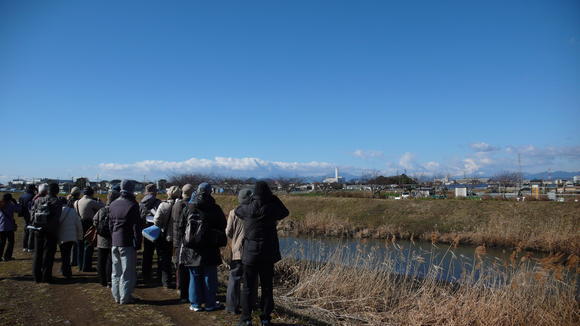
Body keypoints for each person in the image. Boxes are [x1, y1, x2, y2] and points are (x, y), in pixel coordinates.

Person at [236, 181, 289, 326]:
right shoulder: (272, 207)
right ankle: (265, 318)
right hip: (268, 253)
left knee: (247, 287)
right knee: (267, 287)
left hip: (250, 253)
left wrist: (250, 200)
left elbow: (237, 210)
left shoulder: (247, 208)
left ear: (254, 193)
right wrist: (274, 198)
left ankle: (246, 318)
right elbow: (285, 212)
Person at [178, 182, 226, 312]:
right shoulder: (215, 208)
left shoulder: (189, 207)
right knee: (209, 276)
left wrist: (185, 240)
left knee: (194, 276)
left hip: (191, 248)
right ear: (210, 192)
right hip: (210, 248)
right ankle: (210, 303)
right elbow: (222, 225)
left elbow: (181, 226)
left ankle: (195, 304)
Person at [109, 179, 142, 304]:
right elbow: (136, 227)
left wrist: (113, 236)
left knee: (115, 271)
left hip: (114, 240)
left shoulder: (113, 204)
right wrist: (138, 242)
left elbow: (110, 225)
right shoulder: (132, 205)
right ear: (131, 189)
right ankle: (125, 297)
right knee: (127, 272)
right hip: (127, 242)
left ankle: (116, 296)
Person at [226, 188, 252, 314]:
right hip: (251, 251)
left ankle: (231, 306)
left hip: (236, 250)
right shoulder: (254, 212)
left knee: (234, 278)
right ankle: (248, 306)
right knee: (249, 280)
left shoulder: (233, 212)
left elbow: (228, 231)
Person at [30, 183, 62, 283]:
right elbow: (57, 217)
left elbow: (32, 214)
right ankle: (46, 276)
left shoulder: (38, 200)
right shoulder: (56, 201)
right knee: (48, 255)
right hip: (51, 231)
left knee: (37, 253)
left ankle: (36, 276)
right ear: (57, 191)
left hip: (38, 229)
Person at [153, 185, 181, 289]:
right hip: (178, 237)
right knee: (178, 259)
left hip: (165, 236)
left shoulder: (163, 205)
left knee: (165, 258)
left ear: (168, 194)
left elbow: (156, 221)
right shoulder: (182, 206)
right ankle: (179, 282)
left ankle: (166, 281)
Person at [93, 188, 120, 287]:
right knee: (111, 260)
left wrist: (99, 229)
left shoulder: (102, 210)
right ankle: (109, 280)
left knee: (101, 260)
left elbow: (95, 221)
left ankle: (102, 280)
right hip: (113, 238)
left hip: (101, 239)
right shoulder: (116, 210)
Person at [172, 183, 194, 303]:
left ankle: (179, 288)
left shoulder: (176, 205)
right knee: (185, 266)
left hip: (175, 239)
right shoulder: (188, 206)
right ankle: (185, 290)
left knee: (178, 265)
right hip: (184, 240)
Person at [74, 187, 104, 272]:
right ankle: (86, 266)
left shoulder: (76, 202)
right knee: (88, 245)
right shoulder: (91, 202)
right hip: (88, 224)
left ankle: (80, 265)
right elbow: (102, 207)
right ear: (91, 193)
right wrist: (99, 201)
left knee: (80, 245)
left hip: (78, 223)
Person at [140, 183, 161, 284]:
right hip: (156, 228)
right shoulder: (158, 202)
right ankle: (159, 274)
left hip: (145, 229)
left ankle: (145, 273)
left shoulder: (141, 203)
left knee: (147, 252)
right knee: (159, 252)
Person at [57, 194, 83, 278]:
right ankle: (66, 271)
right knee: (67, 254)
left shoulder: (58, 211)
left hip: (61, 237)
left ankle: (65, 271)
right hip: (71, 237)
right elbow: (78, 225)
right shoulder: (72, 211)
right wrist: (80, 236)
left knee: (64, 254)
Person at [0, 194, 19, 261]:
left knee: (2, 242)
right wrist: (15, 202)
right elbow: (18, 210)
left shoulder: (1, 204)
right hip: (9, 227)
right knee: (11, 241)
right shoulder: (11, 205)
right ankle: (7, 256)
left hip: (1, 226)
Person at [18, 184, 36, 252]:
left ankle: (24, 246)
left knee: (26, 230)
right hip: (31, 215)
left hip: (25, 215)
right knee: (31, 230)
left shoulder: (22, 196)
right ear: (32, 189)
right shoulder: (33, 196)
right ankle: (30, 247)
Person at [67, 187, 82, 267]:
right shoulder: (77, 202)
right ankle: (74, 260)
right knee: (75, 243)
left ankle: (71, 259)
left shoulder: (68, 201)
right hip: (75, 222)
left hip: (68, 222)